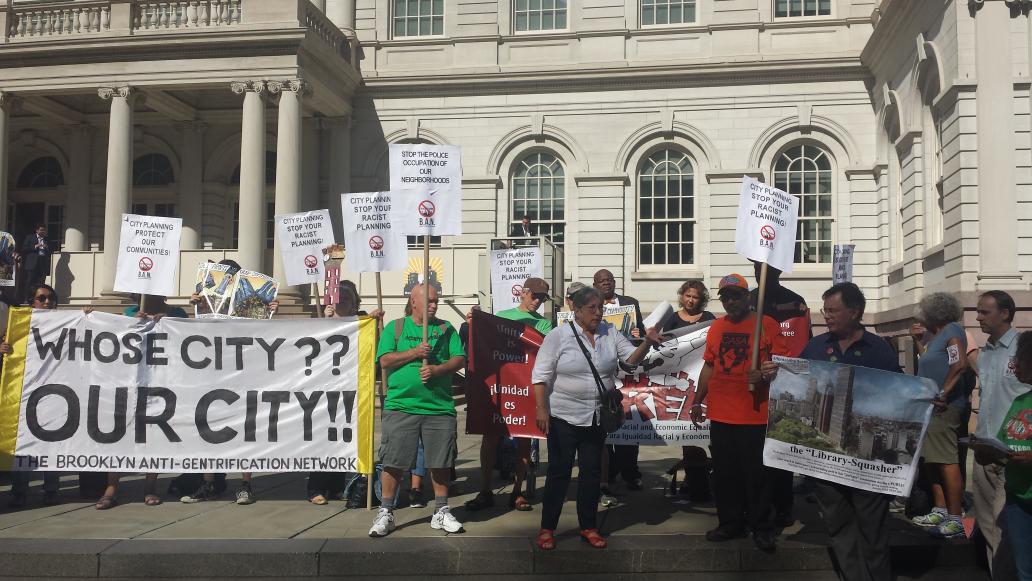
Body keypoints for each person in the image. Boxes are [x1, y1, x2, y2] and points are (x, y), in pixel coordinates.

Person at [766, 282, 899, 580]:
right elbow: (797, 381)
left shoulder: (879, 350)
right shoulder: (815, 346)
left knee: (872, 526)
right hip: (826, 458)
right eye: (825, 310)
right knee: (838, 525)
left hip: (867, 457)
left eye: (833, 310)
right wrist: (774, 374)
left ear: (855, 312)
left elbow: (897, 394)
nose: (826, 316)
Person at [531, 286, 662, 550]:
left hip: (595, 417)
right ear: (576, 310)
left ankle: (588, 526)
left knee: (591, 474)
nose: (598, 313)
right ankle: (547, 528)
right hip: (563, 416)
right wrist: (541, 409)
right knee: (560, 472)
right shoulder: (559, 336)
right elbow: (540, 376)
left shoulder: (610, 332)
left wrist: (647, 342)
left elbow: (630, 362)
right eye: (592, 308)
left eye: (600, 307)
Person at [690, 273, 787, 552]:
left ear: (748, 297)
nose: (731, 302)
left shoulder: (767, 325)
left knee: (757, 475)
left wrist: (769, 371)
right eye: (726, 297)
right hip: (721, 414)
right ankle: (730, 523)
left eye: (736, 296)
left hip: (755, 414)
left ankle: (762, 527)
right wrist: (698, 400)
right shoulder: (717, 327)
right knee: (725, 474)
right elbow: (709, 366)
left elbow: (785, 365)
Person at [368, 284, 466, 538]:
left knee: (440, 461)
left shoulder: (446, 329)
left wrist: (437, 369)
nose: (434, 305)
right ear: (414, 302)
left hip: (438, 406)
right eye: (430, 301)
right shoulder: (396, 328)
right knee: (394, 460)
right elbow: (384, 360)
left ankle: (441, 510)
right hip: (402, 405)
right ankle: (386, 511)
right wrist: (414, 353)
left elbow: (459, 359)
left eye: (437, 301)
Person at [466, 278, 553, 512]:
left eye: (542, 298)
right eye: (534, 295)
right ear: (523, 293)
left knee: (524, 438)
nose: (537, 301)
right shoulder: (503, 314)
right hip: (501, 385)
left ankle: (518, 491)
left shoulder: (544, 325)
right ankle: (485, 489)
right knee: (490, 436)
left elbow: (545, 351)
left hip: (525, 386)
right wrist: (473, 322)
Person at [95, 294, 189, 510]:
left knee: (153, 433)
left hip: (161, 378)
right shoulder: (129, 313)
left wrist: (169, 323)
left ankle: (150, 486)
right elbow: (117, 338)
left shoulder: (177, 314)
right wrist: (132, 323)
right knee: (119, 432)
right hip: (132, 379)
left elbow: (185, 338)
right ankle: (111, 487)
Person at [307, 282, 384, 505]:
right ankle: (316, 488)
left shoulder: (361, 320)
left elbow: (373, 347)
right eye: (338, 299)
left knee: (342, 438)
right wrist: (326, 322)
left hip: (351, 389)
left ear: (355, 303)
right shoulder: (324, 320)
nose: (342, 303)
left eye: (347, 299)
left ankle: (337, 486)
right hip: (325, 389)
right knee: (322, 438)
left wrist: (375, 322)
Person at [750, 260, 811, 527]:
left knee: (781, 451)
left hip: (785, 387)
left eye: (767, 270)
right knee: (756, 455)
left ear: (777, 272)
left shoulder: (795, 301)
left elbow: (803, 343)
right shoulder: (747, 300)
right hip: (753, 391)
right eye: (756, 270)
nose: (761, 275)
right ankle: (757, 505)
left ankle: (784, 506)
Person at [971, 290, 1022, 576]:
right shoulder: (986, 352)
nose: (978, 317)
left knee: (1007, 531)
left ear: (1004, 313)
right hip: (983, 452)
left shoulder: (1023, 350)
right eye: (977, 311)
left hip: (1011, 455)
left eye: (984, 312)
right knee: (989, 527)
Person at [910, 292, 969, 538]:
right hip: (931, 406)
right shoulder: (935, 336)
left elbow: (959, 364)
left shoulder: (953, 330)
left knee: (946, 459)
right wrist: (918, 342)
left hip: (946, 407)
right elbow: (930, 362)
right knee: (932, 459)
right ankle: (940, 508)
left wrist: (944, 393)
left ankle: (956, 517)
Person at [2, 283, 63, 508]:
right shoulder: (19, 325)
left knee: (54, 443)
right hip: (27, 392)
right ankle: (19, 491)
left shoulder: (65, 323)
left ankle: (52, 489)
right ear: (32, 302)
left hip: (56, 392)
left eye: (51, 298)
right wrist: (4, 351)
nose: (47, 302)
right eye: (42, 298)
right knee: (24, 444)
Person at [592, 269, 645, 493]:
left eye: (609, 281)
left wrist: (638, 331)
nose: (606, 284)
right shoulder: (590, 307)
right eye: (601, 281)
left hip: (626, 374)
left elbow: (641, 335)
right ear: (594, 285)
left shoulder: (630, 303)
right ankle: (609, 473)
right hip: (601, 375)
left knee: (628, 426)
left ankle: (630, 473)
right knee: (604, 430)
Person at [1001, 331, 1032, 581]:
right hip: (1017, 498)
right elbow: (1004, 440)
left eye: (1021, 359)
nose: (1015, 365)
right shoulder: (1020, 401)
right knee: (1024, 570)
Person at [20, 224, 51, 298]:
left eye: (44, 230)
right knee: (30, 282)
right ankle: (27, 298)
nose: (43, 231)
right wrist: (35, 246)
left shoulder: (46, 239)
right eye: (41, 230)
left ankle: (39, 298)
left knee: (41, 282)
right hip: (32, 263)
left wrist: (47, 248)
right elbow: (24, 249)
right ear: (37, 230)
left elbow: (51, 250)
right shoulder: (30, 238)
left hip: (42, 263)